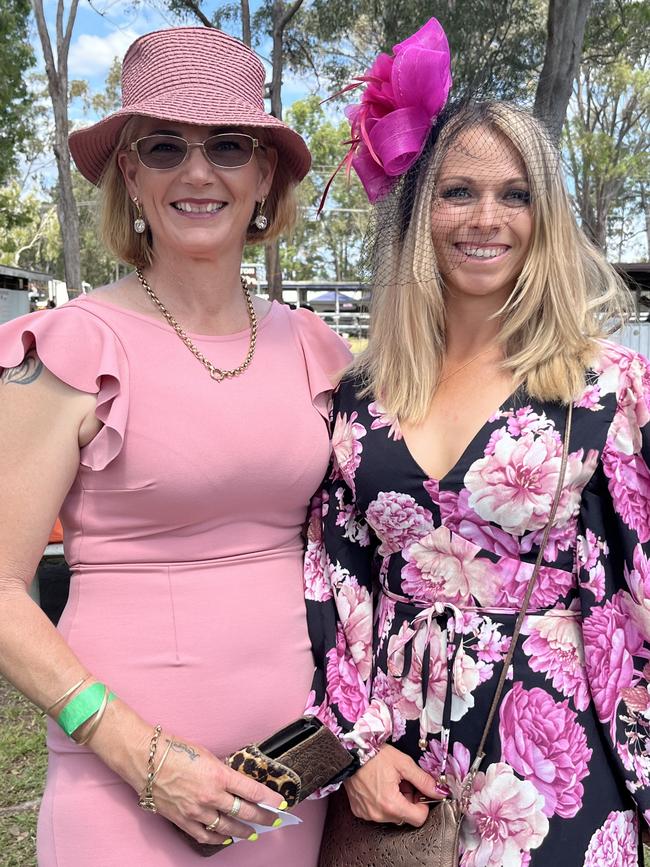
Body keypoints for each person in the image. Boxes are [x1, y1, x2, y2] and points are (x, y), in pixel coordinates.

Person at [0, 26, 350, 867]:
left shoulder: (316, 347)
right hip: (120, 792)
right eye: (164, 147)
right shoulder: (68, 350)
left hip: (290, 788)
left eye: (228, 145)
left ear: (264, 172)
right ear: (130, 172)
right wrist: (140, 756)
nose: (198, 173)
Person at [304, 20, 650, 867]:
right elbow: (332, 573)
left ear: (546, 213)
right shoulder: (363, 389)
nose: (486, 218)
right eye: (458, 192)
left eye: (515, 194)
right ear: (421, 210)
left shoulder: (605, 387)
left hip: (554, 761)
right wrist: (350, 750)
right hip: (393, 764)